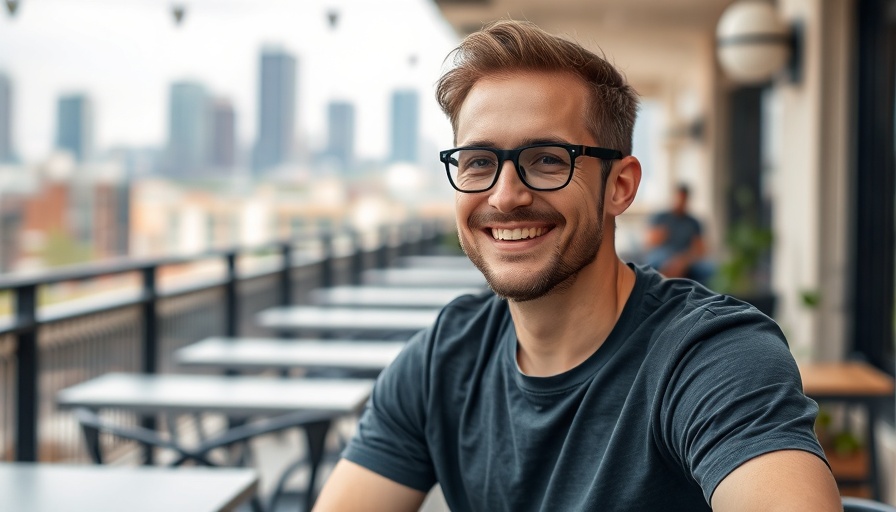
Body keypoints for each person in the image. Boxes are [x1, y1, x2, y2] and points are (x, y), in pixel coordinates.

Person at [314, 20, 840, 511]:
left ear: (620, 186)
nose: (505, 196)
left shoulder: (709, 358)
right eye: (478, 162)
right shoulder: (445, 359)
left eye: (547, 159)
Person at [644, 183, 715, 284]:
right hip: (664, 254)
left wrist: (683, 261)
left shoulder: (693, 222)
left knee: (709, 269)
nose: (680, 202)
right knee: (656, 259)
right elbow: (650, 243)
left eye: (683, 199)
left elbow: (700, 249)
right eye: (678, 198)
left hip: (685, 256)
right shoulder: (661, 217)